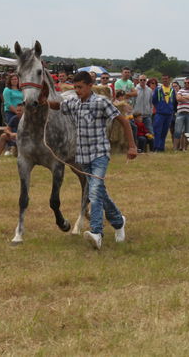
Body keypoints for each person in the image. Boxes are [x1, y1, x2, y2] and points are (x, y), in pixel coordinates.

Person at [44, 71, 136, 250]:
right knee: (100, 191)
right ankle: (118, 221)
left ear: (89, 85)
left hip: (99, 154)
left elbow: (123, 121)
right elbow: (57, 106)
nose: (77, 91)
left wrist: (131, 146)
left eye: (80, 87)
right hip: (82, 156)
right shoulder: (74, 103)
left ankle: (96, 232)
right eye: (75, 87)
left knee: (93, 193)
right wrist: (43, 102)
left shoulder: (101, 102)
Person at [151, 74, 176, 152]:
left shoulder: (172, 90)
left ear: (169, 80)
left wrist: (171, 109)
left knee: (164, 132)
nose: (165, 80)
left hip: (169, 114)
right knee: (157, 131)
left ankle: (161, 148)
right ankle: (156, 147)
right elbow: (154, 100)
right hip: (160, 113)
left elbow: (174, 102)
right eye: (163, 79)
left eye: (166, 79)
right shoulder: (158, 89)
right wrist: (159, 107)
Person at [173, 77, 189, 151]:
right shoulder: (180, 90)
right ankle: (175, 149)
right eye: (185, 83)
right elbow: (178, 98)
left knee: (188, 132)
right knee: (177, 131)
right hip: (180, 113)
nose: (186, 84)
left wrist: (183, 97)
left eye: (188, 82)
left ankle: (185, 148)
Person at [133, 75, 153, 142]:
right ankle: (139, 147)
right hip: (137, 116)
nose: (142, 81)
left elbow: (150, 102)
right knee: (138, 133)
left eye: (144, 80)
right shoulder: (135, 90)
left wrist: (150, 112)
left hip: (147, 115)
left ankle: (151, 147)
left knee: (150, 131)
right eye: (141, 80)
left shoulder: (149, 90)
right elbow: (133, 102)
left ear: (146, 81)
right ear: (138, 80)